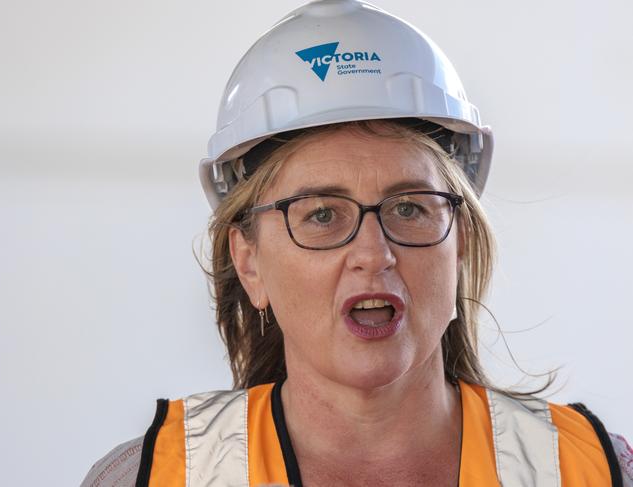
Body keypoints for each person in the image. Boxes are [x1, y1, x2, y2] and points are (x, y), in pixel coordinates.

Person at [82, 1, 632, 486]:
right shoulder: (152, 477)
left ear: (459, 242)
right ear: (249, 264)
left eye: (409, 208)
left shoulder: (594, 471)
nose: (374, 253)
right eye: (321, 214)